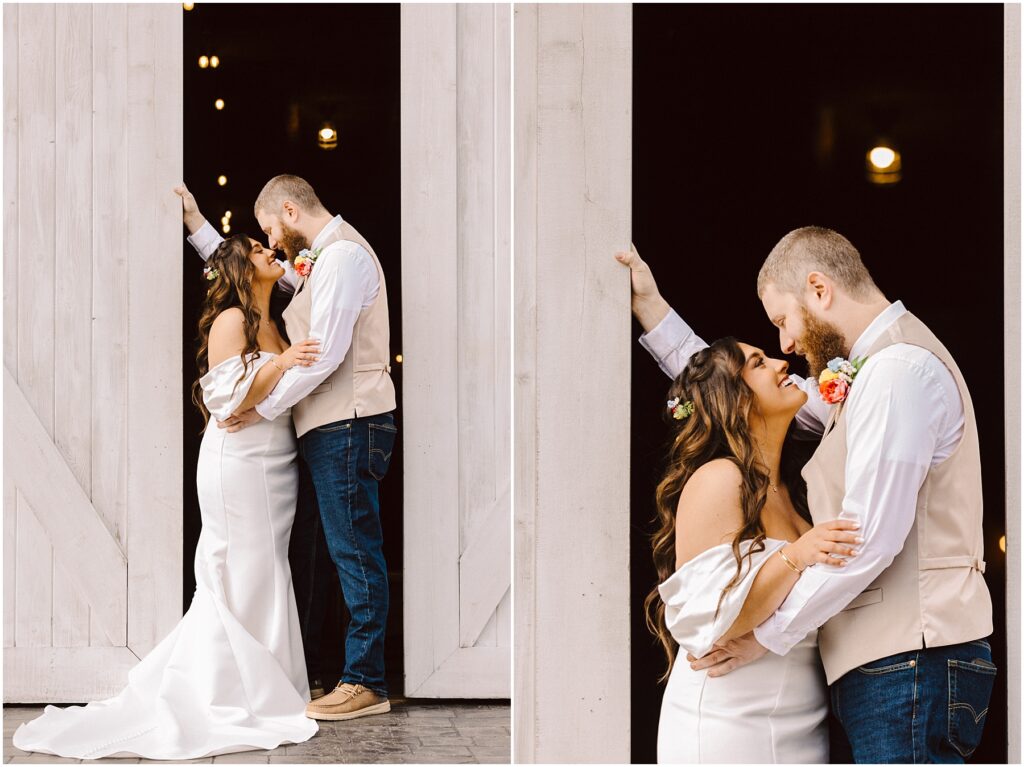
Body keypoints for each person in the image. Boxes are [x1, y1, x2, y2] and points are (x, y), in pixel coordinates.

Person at [619, 227, 996, 763]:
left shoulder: (896, 372)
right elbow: (727, 385)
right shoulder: (864, 377)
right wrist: (652, 311)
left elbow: (867, 539)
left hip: (911, 657)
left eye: (782, 321)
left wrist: (765, 634)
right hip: (860, 676)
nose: (785, 348)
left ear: (819, 290)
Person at [12, 236, 321, 759]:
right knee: (237, 568)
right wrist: (282, 362)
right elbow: (226, 400)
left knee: (266, 567)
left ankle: (268, 682)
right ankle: (227, 691)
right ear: (241, 269)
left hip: (276, 463)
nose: (268, 250)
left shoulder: (279, 320)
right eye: (255, 249)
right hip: (238, 463)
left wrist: (285, 357)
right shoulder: (232, 320)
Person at [177, 175, 398, 722]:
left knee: (353, 552)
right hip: (316, 432)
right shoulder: (311, 269)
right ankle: (315, 670)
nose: (272, 245)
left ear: (291, 212)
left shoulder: (341, 259)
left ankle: (365, 680)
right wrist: (196, 225)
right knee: (315, 557)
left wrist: (262, 407)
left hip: (348, 421)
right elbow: (238, 270)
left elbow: (324, 356)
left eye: (270, 230)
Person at [646, 336, 861, 762]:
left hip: (802, 717)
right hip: (728, 718)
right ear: (734, 399)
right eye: (759, 363)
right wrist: (797, 555)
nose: (783, 364)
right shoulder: (719, 479)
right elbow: (713, 622)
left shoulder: (799, 488)